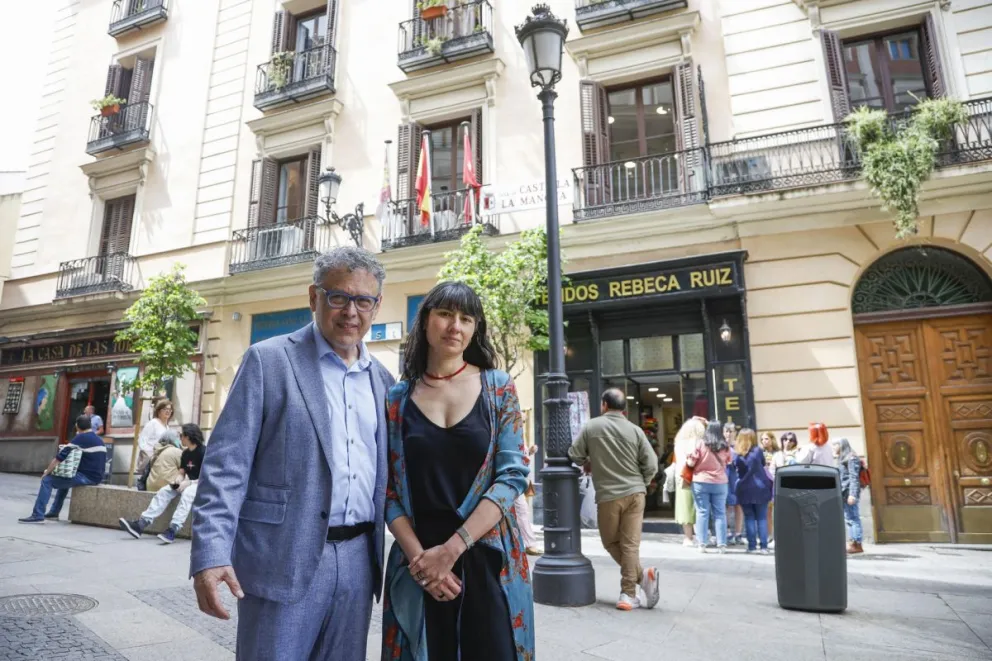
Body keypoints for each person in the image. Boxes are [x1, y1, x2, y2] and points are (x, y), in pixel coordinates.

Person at [190, 247, 395, 661]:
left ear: (376, 306)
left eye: (363, 300)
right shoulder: (268, 361)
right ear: (314, 296)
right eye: (339, 297)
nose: (351, 312)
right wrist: (210, 554)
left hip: (358, 562)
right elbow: (226, 467)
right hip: (280, 557)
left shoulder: (383, 381)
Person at [381, 281, 533, 660]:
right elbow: (387, 490)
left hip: (487, 557)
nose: (455, 326)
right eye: (446, 314)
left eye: (466, 318)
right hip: (417, 560)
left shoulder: (498, 388)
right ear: (426, 321)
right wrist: (422, 563)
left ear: (475, 328)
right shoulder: (397, 399)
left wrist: (450, 551)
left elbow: (512, 476)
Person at [569, 388, 660, 611]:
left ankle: (629, 592)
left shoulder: (592, 427)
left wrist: (591, 459)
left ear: (604, 405)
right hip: (635, 493)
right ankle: (640, 581)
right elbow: (651, 464)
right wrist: (642, 483)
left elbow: (575, 454)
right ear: (624, 408)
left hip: (609, 495)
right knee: (630, 545)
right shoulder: (636, 430)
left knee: (611, 542)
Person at [119, 423, 206, 544]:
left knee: (187, 494)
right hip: (189, 483)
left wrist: (189, 483)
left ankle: (173, 529)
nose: (180, 438)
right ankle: (141, 524)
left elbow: (207, 476)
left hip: (202, 484)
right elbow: (182, 471)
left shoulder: (204, 452)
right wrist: (178, 480)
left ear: (188, 436)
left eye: (181, 435)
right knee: (164, 491)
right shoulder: (185, 453)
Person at [19, 415, 106, 523]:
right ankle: (54, 512)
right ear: (90, 425)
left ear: (77, 426)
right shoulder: (99, 440)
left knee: (47, 480)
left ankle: (37, 515)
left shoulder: (81, 438)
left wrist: (47, 472)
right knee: (65, 478)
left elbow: (59, 458)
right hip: (97, 477)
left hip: (86, 477)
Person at [686, 421, 732, 553]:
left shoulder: (701, 443)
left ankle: (702, 544)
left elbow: (690, 463)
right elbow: (729, 462)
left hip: (701, 482)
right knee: (720, 513)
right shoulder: (725, 446)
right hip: (720, 483)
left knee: (702, 512)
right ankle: (722, 545)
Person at [734, 428, 774, 554]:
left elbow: (738, 471)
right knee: (762, 518)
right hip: (761, 487)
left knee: (749, 517)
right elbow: (763, 465)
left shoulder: (738, 455)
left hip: (744, 488)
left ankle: (751, 546)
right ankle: (763, 547)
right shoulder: (758, 451)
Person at [673, 417, 705, 547]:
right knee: (700, 507)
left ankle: (688, 537)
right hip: (699, 477)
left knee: (685, 507)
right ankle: (701, 536)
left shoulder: (678, 443)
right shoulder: (700, 442)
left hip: (682, 477)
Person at [833, 437, 864, 554]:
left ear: (842, 445)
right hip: (843, 492)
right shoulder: (842, 458)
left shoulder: (851, 458)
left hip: (848, 492)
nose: (833, 447)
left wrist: (853, 494)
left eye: (835, 445)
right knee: (849, 518)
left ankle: (856, 543)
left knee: (853, 518)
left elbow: (853, 477)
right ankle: (853, 542)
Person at [514, 441, 542, 556]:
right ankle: (529, 544)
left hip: (517, 478)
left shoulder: (519, 435)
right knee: (522, 510)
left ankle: (527, 544)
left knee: (521, 511)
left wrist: (529, 452)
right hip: (512, 478)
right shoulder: (511, 433)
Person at [136, 399, 173, 480]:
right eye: (165, 409)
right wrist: (150, 454)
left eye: (170, 409)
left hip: (161, 460)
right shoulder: (153, 423)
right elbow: (142, 440)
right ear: (159, 411)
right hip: (151, 458)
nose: (168, 411)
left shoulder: (167, 427)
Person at [724, 422, 744, 546]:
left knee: (738, 505)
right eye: (726, 431)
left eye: (731, 431)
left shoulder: (739, 446)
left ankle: (738, 533)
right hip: (724, 478)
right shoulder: (720, 446)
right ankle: (726, 533)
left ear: (735, 433)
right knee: (726, 505)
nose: (728, 434)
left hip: (736, 478)